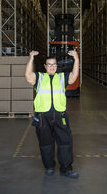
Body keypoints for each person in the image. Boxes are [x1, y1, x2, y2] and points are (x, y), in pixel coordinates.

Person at [25, 50, 79, 179]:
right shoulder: (39, 77)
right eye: (49, 64)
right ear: (45, 66)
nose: (52, 66)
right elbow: (28, 76)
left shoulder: (62, 77)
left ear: (57, 66)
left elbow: (74, 76)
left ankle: (66, 169)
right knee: (46, 144)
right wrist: (31, 58)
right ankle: (49, 167)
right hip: (43, 117)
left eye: (54, 64)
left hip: (60, 116)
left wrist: (76, 59)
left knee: (65, 143)